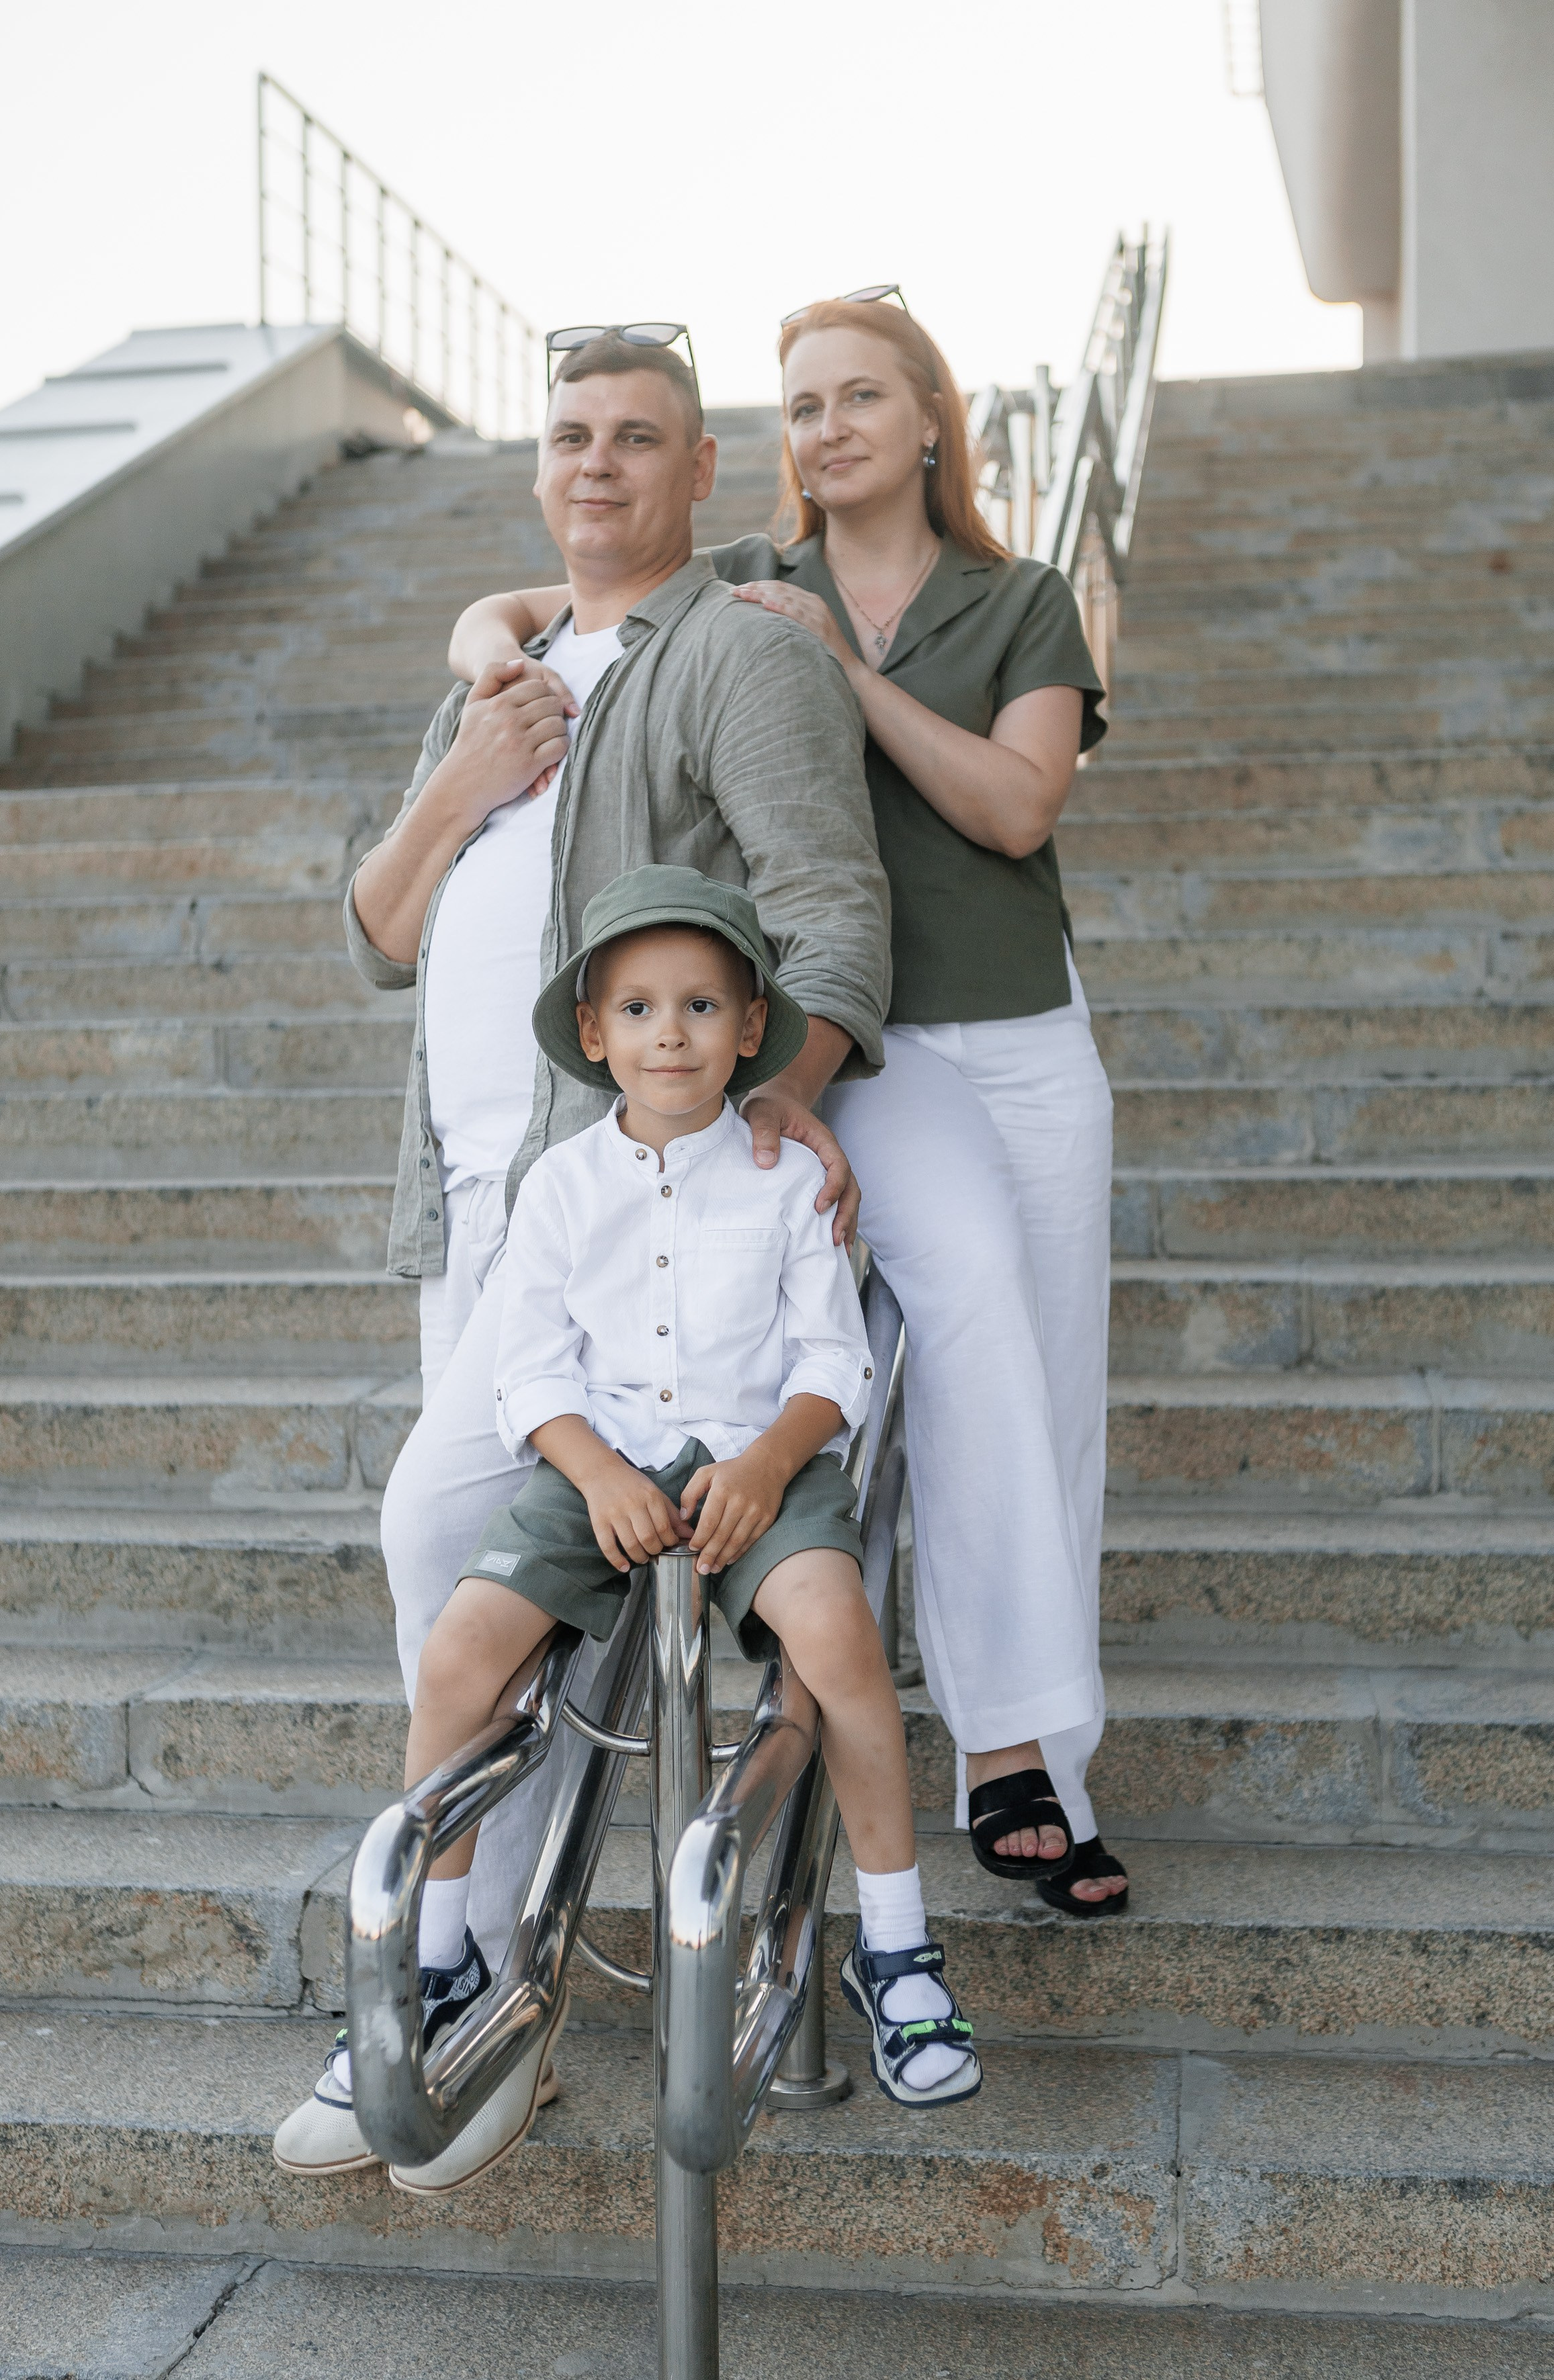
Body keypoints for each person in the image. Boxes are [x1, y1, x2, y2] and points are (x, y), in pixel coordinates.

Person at [273, 330, 891, 2183]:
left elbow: (831, 903)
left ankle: (460, 1969)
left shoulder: (738, 652)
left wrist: (781, 1107)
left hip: (605, 1203)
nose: (597, 465)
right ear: (534, 467)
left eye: (639, 437)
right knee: (486, 1569)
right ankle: (479, 1970)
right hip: (461, 1201)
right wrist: (466, 769)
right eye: (567, 437)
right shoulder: (507, 669)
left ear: (706, 468)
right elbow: (379, 926)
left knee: (433, 1532)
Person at [448, 294, 1127, 1916]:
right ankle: (881, 1703)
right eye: (801, 404)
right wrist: (486, 652)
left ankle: (1023, 1747)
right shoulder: (755, 581)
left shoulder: (1015, 599)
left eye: (859, 398)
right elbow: (539, 596)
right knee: (926, 1321)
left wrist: (848, 671)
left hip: (1012, 1033)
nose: (825, 430)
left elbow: (1019, 806)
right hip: (833, 1037)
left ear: (930, 419)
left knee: (1029, 1367)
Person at [374, 867, 982, 2193]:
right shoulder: (560, 1184)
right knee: (464, 1648)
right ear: (592, 1031)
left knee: (836, 1634)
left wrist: (770, 1461)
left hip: (757, 1461)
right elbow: (526, 1372)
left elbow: (835, 1360)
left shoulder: (786, 1182)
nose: (670, 1033)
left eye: (700, 1004)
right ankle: (436, 1949)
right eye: (639, 1006)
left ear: (750, 1025)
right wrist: (592, 1473)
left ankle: (894, 1946)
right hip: (600, 1466)